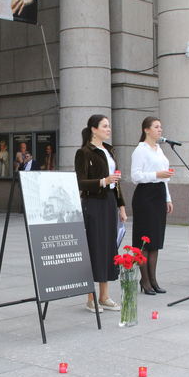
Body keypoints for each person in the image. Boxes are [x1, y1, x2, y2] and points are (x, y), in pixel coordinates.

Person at [75, 114, 127, 313]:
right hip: (94, 203)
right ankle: (91, 298)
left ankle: (104, 296)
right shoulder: (84, 152)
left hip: (109, 203)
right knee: (94, 247)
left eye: (109, 126)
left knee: (108, 248)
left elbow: (117, 182)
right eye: (104, 126)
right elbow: (80, 182)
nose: (108, 129)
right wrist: (103, 181)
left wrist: (121, 206)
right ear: (93, 129)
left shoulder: (109, 150)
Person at [130, 116, 174, 295]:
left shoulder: (159, 150)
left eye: (161, 127)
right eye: (156, 127)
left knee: (155, 241)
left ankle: (153, 279)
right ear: (146, 130)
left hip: (159, 194)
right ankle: (145, 280)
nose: (160, 130)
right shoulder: (140, 150)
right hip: (145, 196)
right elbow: (135, 176)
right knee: (144, 241)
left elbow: (164, 178)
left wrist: (168, 198)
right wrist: (156, 174)